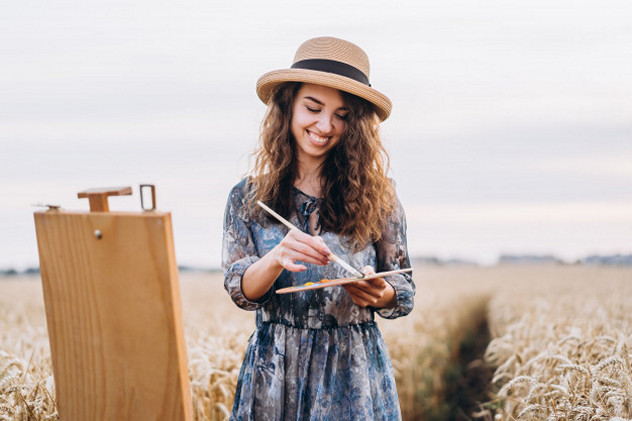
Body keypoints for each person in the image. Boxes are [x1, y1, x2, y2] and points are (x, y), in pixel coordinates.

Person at [222, 36, 415, 420]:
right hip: (275, 371)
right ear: (288, 105)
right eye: (313, 107)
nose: (325, 125)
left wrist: (380, 293)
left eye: (342, 115)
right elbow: (240, 291)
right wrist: (277, 258)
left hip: (352, 371)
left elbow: (404, 289)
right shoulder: (247, 196)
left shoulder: (380, 196)